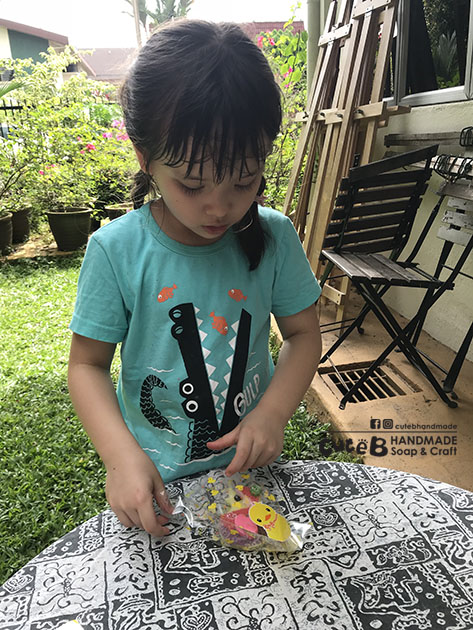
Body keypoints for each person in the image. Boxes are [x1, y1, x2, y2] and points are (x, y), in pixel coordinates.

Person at [68, 19, 322, 538]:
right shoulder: (116, 250)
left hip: (250, 473)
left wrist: (272, 415)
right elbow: (86, 366)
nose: (219, 207)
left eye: (243, 181)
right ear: (145, 159)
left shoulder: (274, 237)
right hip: (155, 482)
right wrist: (120, 458)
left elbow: (303, 335)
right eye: (191, 184)